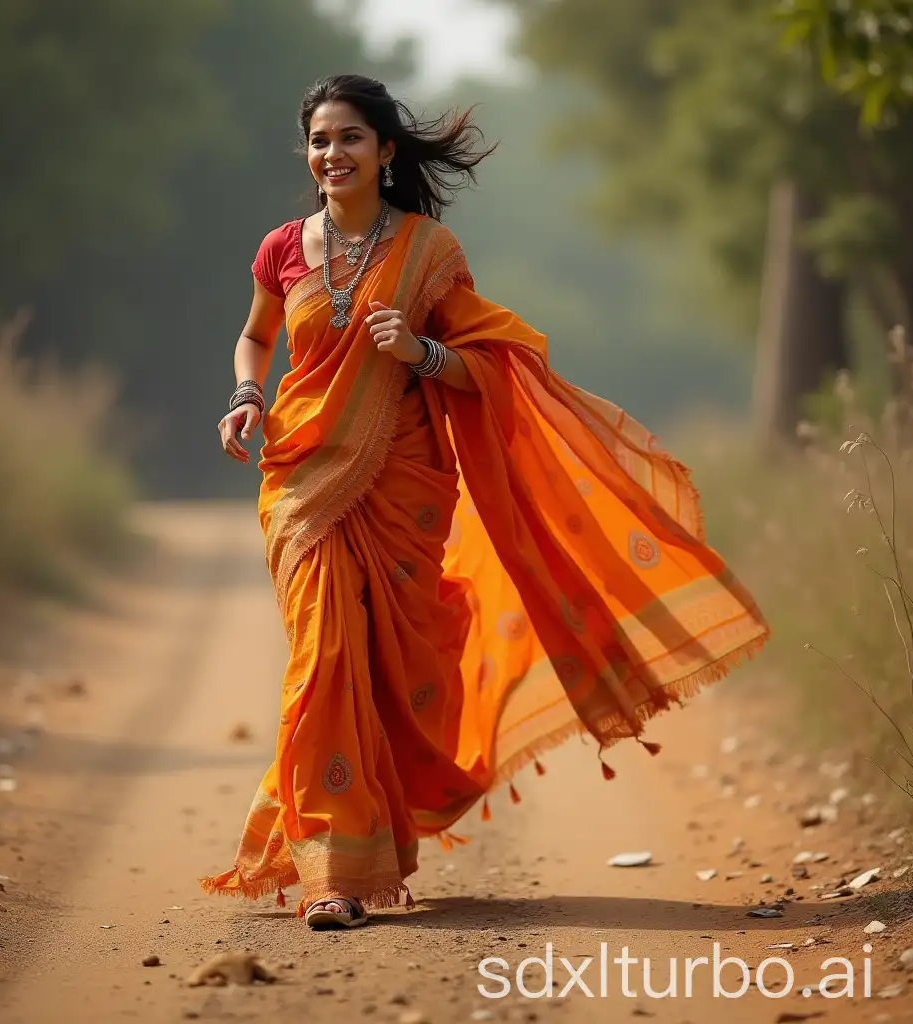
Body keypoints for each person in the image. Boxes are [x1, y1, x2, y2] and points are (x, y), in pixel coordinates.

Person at [204, 74, 769, 930]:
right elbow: (257, 335)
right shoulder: (284, 246)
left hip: (404, 483)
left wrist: (424, 352)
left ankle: (362, 853)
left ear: (386, 152)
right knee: (324, 657)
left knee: (391, 668)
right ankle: (332, 873)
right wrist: (249, 395)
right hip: (303, 481)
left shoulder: (429, 252)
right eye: (320, 140)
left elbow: (495, 367)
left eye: (351, 137)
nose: (333, 154)